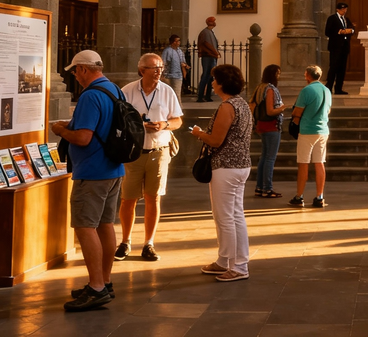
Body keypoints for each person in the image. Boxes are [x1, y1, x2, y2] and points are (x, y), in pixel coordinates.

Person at [50, 50, 125, 312]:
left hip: (92, 171)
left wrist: (60, 130)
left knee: (85, 227)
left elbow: (83, 137)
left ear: (83, 69)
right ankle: (104, 281)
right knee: (105, 224)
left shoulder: (90, 95)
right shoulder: (114, 89)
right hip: (114, 169)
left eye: (74, 71)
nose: (75, 76)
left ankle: (95, 288)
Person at [115, 52, 183, 263]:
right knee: (128, 199)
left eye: (161, 68)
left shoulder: (167, 91)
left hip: (158, 150)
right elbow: (118, 119)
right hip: (134, 152)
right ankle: (125, 241)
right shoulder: (128, 91)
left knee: (154, 197)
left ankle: (149, 243)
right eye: (154, 68)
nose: (159, 72)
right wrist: (138, 126)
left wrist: (164, 125)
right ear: (142, 70)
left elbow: (177, 120)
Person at [190, 64, 253, 281]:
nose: (211, 82)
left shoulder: (227, 107)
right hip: (239, 165)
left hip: (227, 166)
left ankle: (239, 266)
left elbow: (216, 140)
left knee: (227, 217)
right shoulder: (242, 104)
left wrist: (199, 133)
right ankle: (224, 260)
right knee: (231, 215)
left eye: (214, 78)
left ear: (222, 83)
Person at [289, 64, 332, 208]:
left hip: (307, 130)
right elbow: (328, 111)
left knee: (303, 163)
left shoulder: (306, 90)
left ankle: (299, 196)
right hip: (323, 130)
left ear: (307, 75)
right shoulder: (326, 90)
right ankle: (319, 196)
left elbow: (297, 112)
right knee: (320, 162)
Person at [251, 64, 285, 198]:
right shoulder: (270, 89)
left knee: (264, 157)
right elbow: (271, 110)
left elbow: (252, 105)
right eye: (278, 73)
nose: (279, 76)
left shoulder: (259, 87)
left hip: (261, 125)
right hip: (271, 125)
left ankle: (259, 187)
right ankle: (267, 188)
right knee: (270, 158)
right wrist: (282, 108)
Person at [325, 2, 354, 95]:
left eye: (345, 9)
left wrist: (351, 30)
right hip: (335, 47)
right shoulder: (332, 18)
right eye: (342, 9)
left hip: (344, 47)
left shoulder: (346, 19)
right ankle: (328, 87)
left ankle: (338, 88)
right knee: (333, 67)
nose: (344, 11)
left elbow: (352, 28)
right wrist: (339, 32)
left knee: (342, 69)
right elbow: (327, 32)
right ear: (338, 9)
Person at [197, 17, 220, 102]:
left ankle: (207, 96)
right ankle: (200, 96)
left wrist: (216, 52)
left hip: (212, 56)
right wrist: (215, 52)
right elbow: (206, 44)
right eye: (213, 21)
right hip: (208, 56)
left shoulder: (209, 32)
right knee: (206, 75)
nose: (214, 23)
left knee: (210, 77)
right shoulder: (205, 32)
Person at [161, 34, 188, 99]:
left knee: (177, 95)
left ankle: (178, 108)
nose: (179, 42)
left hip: (178, 76)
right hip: (168, 76)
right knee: (168, 95)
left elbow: (183, 61)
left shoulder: (179, 51)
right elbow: (163, 62)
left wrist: (185, 66)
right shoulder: (167, 51)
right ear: (173, 42)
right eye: (177, 41)